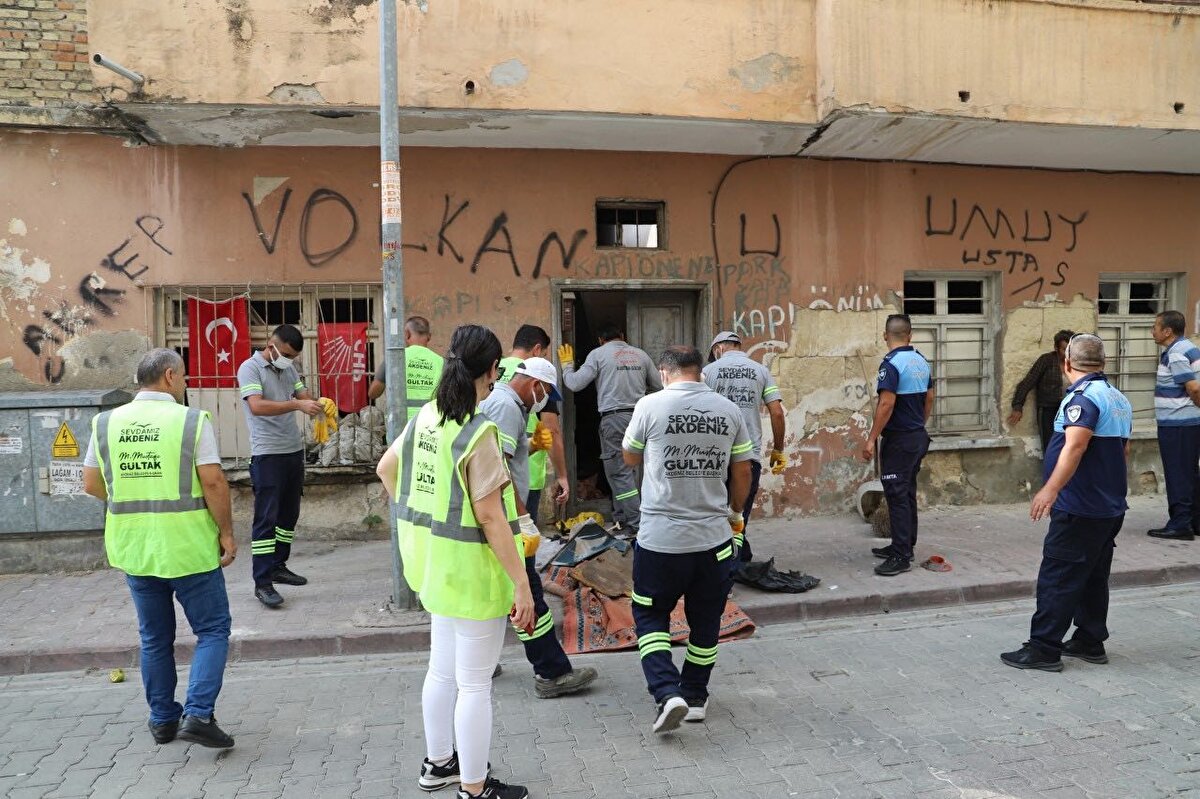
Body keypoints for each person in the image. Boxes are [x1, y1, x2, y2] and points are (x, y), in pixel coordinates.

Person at [376, 324, 534, 799]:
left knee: (441, 672)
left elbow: (387, 470)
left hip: (432, 566)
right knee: (474, 685)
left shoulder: (425, 417)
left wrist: (419, 517)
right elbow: (490, 517)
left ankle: (439, 764)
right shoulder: (477, 433)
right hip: (472, 574)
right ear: (492, 371)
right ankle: (474, 787)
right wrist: (522, 585)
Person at [82, 348, 238, 748]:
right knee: (212, 630)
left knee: (154, 637)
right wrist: (226, 533)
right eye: (183, 376)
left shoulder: (105, 423)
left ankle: (163, 719)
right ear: (170, 377)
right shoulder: (189, 421)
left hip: (136, 548)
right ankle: (199, 714)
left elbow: (92, 484)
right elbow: (214, 482)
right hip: (188, 547)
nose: (184, 383)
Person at [622, 345, 753, 734]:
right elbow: (743, 470)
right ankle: (695, 695)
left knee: (650, 614)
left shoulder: (650, 405)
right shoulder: (727, 409)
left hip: (660, 539)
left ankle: (666, 692)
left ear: (664, 372)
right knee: (706, 618)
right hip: (713, 539)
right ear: (700, 372)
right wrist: (734, 513)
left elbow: (629, 457)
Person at [1001, 334, 1133, 671]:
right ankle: (1090, 640)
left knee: (1058, 576)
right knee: (1091, 575)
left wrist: (1050, 489)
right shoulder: (1119, 398)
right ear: (1102, 363)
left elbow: (1075, 446)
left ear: (1066, 363)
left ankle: (1044, 648)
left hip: (1081, 506)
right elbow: (1124, 452)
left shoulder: (1083, 399)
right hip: (1108, 506)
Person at [482, 355, 598, 699]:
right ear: (536, 385)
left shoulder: (509, 404)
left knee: (499, 586)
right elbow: (497, 468)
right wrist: (523, 519)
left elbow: (503, 454)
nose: (545, 401)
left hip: (499, 514)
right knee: (528, 589)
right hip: (505, 515)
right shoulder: (505, 406)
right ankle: (552, 672)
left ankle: (480, 662)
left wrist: (530, 445)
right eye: (546, 393)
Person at [236, 324, 322, 608]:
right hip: (268, 455)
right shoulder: (250, 368)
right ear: (271, 344)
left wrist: (320, 404)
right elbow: (257, 406)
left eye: (293, 356)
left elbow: (302, 394)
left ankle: (278, 566)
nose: (288, 359)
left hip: (292, 452)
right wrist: (297, 407)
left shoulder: (288, 369)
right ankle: (262, 582)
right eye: (285, 353)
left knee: (288, 517)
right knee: (266, 520)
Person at [558, 322, 662, 534]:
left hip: (614, 420)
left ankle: (635, 524)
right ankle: (622, 519)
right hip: (640, 418)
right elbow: (660, 385)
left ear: (600, 340)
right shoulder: (640, 355)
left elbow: (575, 384)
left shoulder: (598, 354)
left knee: (618, 475)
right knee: (631, 473)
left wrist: (567, 366)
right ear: (622, 335)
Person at [702, 330, 787, 563]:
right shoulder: (761, 371)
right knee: (738, 515)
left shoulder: (708, 372)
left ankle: (727, 566)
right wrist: (778, 449)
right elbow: (777, 413)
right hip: (748, 456)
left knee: (716, 515)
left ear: (718, 349)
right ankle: (735, 560)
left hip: (714, 457)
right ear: (738, 346)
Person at [861, 314, 934, 577]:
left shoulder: (891, 365)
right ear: (910, 335)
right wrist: (918, 424)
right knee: (906, 492)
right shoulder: (921, 361)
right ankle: (903, 544)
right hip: (916, 436)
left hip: (900, 441)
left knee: (896, 494)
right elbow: (929, 399)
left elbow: (886, 404)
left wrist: (871, 438)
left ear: (885, 336)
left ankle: (902, 556)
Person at [499, 324, 570, 522]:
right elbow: (552, 431)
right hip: (524, 475)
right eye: (544, 355)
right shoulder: (538, 379)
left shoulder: (494, 370)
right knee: (524, 540)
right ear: (537, 350)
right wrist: (562, 476)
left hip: (494, 478)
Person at [1148, 310, 1200, 542]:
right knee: (1189, 473)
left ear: (1167, 331)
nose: (1152, 331)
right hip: (1186, 424)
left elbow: (1194, 388)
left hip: (1178, 424)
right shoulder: (1187, 347)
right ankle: (1194, 521)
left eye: (1155, 326)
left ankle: (1180, 524)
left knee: (1178, 473)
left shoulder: (1177, 353)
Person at [1007, 329, 1075, 455]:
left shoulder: (1076, 363)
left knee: (1069, 447)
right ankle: (1051, 473)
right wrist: (1017, 406)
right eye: (1063, 349)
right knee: (1050, 446)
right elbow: (1027, 382)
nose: (1067, 354)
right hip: (1048, 410)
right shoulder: (1046, 360)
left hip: (1071, 410)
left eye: (1070, 350)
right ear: (1056, 348)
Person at [368, 315, 445, 422]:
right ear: (429, 336)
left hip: (399, 423)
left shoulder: (394, 359)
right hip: (430, 424)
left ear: (407, 334)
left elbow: (373, 393)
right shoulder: (441, 362)